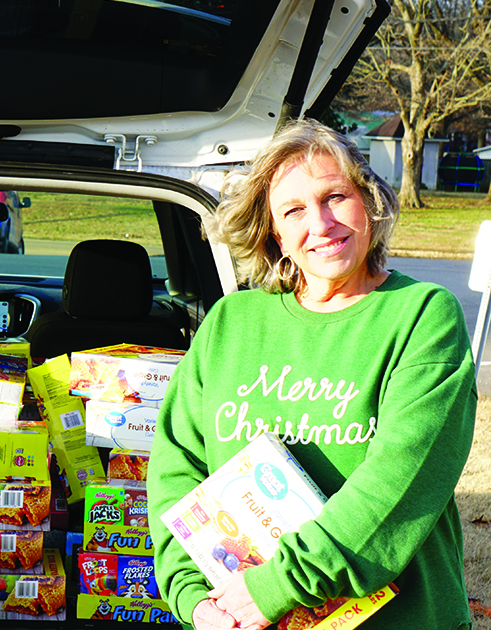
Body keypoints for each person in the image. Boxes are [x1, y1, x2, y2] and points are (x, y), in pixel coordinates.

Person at [149, 118, 477, 629]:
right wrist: (197, 602)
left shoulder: (422, 315)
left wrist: (276, 586)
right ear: (274, 233)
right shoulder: (230, 324)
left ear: (369, 202)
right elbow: (175, 470)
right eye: (294, 210)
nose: (320, 224)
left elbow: (401, 481)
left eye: (335, 198)